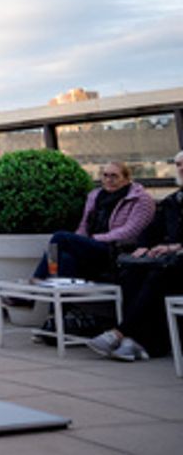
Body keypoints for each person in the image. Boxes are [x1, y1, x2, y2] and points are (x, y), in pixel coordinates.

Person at [88, 151, 183, 361]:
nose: (181, 168)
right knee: (133, 271)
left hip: (176, 262)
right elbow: (150, 231)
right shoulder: (173, 200)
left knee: (158, 275)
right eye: (178, 164)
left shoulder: (147, 199)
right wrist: (144, 247)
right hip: (169, 261)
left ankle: (121, 333)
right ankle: (135, 341)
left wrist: (174, 247)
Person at [32, 161, 155, 282]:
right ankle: (60, 290)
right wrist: (81, 240)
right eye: (105, 175)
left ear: (126, 179)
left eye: (114, 176)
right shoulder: (95, 196)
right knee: (65, 257)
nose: (109, 180)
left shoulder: (140, 199)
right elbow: (84, 225)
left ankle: (40, 277)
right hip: (93, 245)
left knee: (60, 237)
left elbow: (131, 231)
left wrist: (96, 239)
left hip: (116, 249)